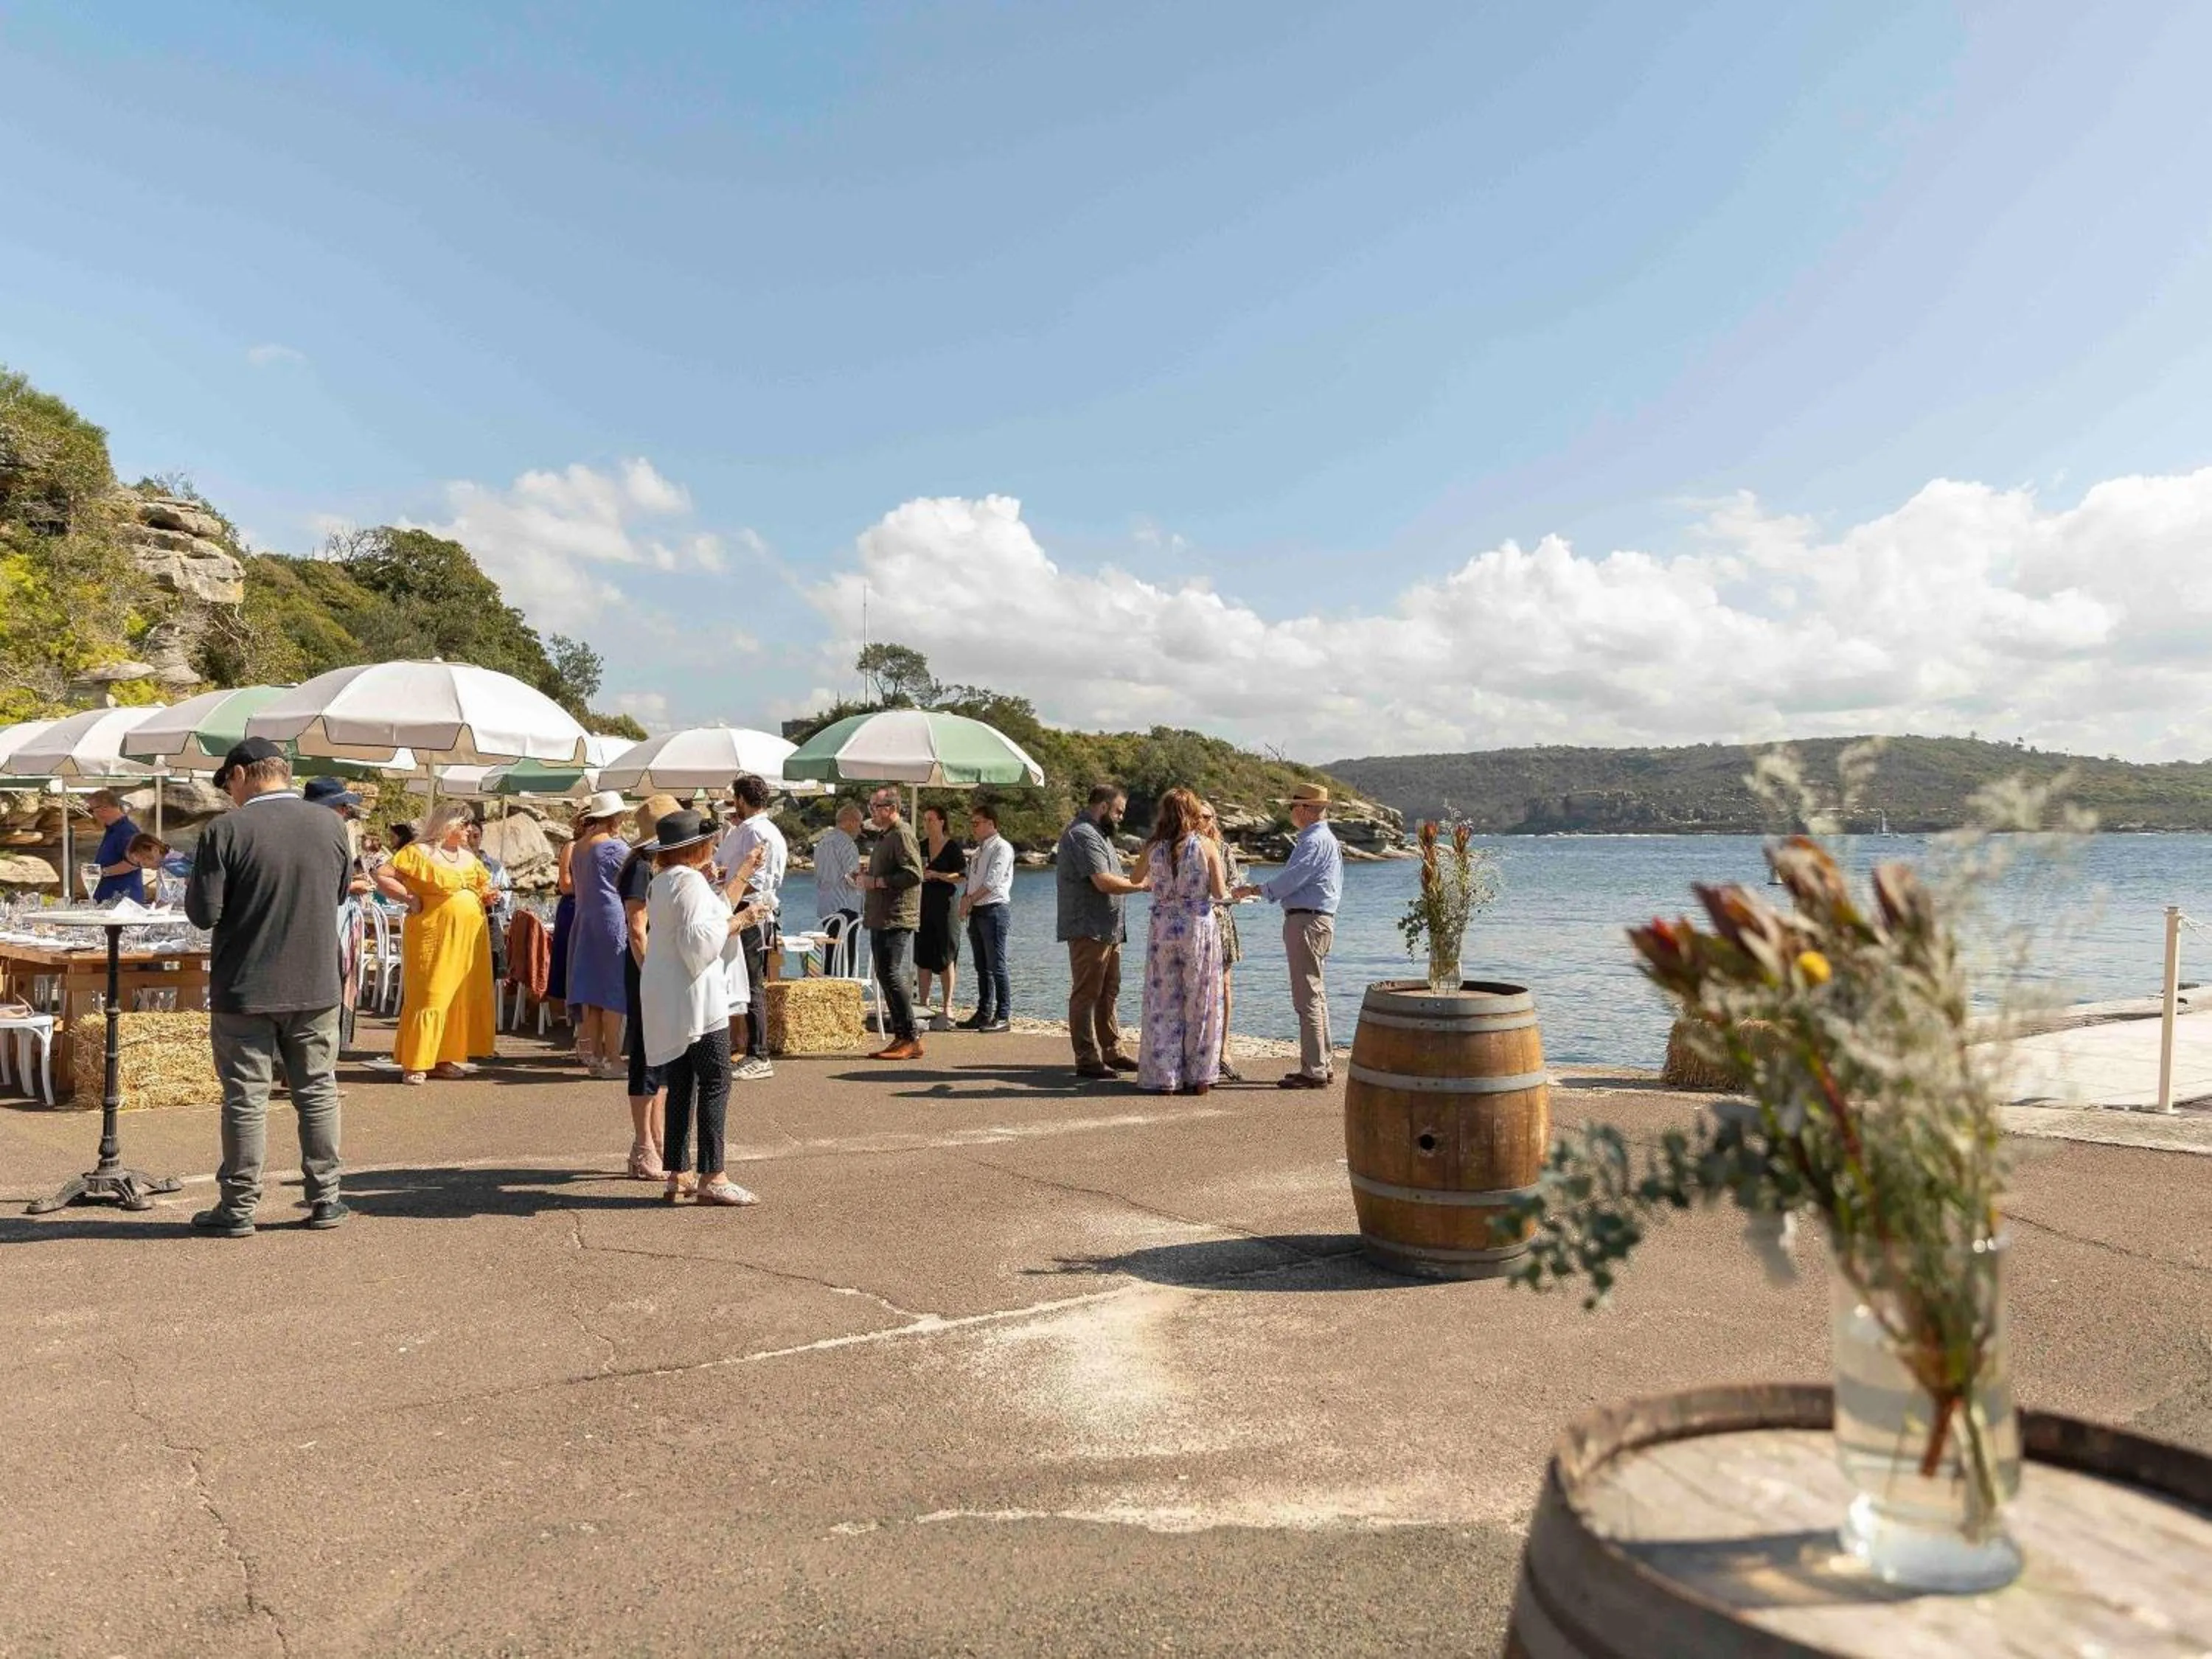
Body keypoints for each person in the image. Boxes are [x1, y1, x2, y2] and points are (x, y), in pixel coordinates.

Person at [183, 737, 353, 1235]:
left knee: (245, 1098)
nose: (229, 795)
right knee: (318, 1091)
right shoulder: (331, 824)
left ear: (240, 775)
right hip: (317, 982)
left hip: (246, 984)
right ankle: (325, 1200)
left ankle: (238, 1208)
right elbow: (340, 892)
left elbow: (203, 914)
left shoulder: (226, 830)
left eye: (228, 786)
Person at [639, 807, 759, 1206]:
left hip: (667, 993)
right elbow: (699, 942)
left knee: (682, 1084)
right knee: (715, 1080)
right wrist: (743, 921)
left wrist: (741, 877)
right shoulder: (689, 882)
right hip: (695, 996)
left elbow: (701, 921)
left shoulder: (662, 881)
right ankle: (714, 1174)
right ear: (698, 848)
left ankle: (679, 1172)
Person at [374, 801, 497, 1085]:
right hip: (434, 934)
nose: (469, 829)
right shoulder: (419, 852)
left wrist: (489, 896)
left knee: (457, 995)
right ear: (448, 824)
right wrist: (408, 897)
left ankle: (443, 1058)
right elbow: (382, 875)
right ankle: (416, 1060)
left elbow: (482, 887)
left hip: (469, 938)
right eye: (464, 824)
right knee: (431, 993)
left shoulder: (467, 857)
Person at [1234, 782, 1344, 1089]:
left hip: (1306, 921)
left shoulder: (1313, 841)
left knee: (1307, 995)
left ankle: (1314, 1069)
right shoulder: (1326, 839)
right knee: (1316, 993)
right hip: (1317, 919)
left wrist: (1256, 889)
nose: (1291, 812)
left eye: (1293, 807)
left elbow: (1292, 879)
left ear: (1304, 809)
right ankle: (1323, 1062)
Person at [1135, 787, 1228, 1095]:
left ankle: (1166, 1076)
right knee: (1201, 1001)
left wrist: (1161, 885)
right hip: (1197, 927)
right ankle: (1200, 1076)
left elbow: (1136, 879)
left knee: (1163, 1002)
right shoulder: (1206, 845)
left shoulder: (1153, 847)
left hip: (1163, 926)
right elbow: (1219, 893)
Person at [1054, 784, 1147, 1079]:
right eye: (1118, 811)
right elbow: (1103, 882)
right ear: (1104, 806)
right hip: (1088, 927)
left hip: (1107, 928)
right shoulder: (1083, 834)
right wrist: (1144, 886)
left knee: (1109, 991)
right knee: (1086, 993)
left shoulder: (1099, 835)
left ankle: (1113, 1051)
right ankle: (1086, 1058)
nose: (1121, 817)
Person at [617, 794, 683, 1181]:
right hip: (648, 969)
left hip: (656, 967)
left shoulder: (649, 866)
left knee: (660, 1058)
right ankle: (645, 1145)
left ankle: (654, 1141)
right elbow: (637, 928)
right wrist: (650, 974)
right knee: (646, 1056)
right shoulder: (641, 868)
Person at [714, 773, 787, 1081]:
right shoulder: (768, 830)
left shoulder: (752, 831)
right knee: (746, 984)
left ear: (741, 800)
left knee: (750, 985)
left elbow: (751, 881)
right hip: (753, 912)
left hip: (747, 913)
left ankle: (759, 1054)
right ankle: (749, 1049)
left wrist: (721, 895)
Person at [565, 791, 633, 1079]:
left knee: (590, 991)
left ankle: (593, 1056)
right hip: (610, 918)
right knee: (613, 989)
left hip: (584, 918)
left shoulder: (579, 846)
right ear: (614, 818)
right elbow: (636, 876)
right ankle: (614, 1058)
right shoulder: (615, 848)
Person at [854, 788, 925, 1059]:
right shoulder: (886, 836)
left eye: (876, 806)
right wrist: (867, 876)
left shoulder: (902, 834)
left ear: (892, 807)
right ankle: (902, 1036)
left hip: (896, 916)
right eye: (870, 805)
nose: (871, 811)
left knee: (891, 974)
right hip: (881, 915)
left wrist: (877, 882)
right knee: (885, 974)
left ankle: (910, 1036)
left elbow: (914, 874)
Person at [303, 777, 371, 1051]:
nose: (346, 812)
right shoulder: (321, 834)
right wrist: (354, 884)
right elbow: (330, 882)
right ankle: (316, 1062)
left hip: (337, 919)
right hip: (326, 920)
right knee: (326, 987)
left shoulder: (331, 831)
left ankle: (324, 1055)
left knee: (338, 982)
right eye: (342, 806)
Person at [1198, 801, 1245, 1082]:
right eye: (1198, 816)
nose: (1202, 821)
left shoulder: (1224, 849)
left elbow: (1233, 887)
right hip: (1194, 922)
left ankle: (1224, 1050)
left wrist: (1232, 895)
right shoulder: (1186, 847)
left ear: (1214, 820)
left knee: (1224, 985)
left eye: (1207, 817)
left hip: (1221, 922)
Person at [957, 801, 1013, 1032]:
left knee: (996, 964)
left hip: (994, 910)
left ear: (991, 823)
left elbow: (992, 881)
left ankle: (1003, 1015)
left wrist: (969, 899)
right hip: (977, 910)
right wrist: (965, 899)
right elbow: (972, 880)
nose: (974, 827)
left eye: (977, 823)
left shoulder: (1002, 848)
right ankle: (983, 1011)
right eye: (972, 823)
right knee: (982, 966)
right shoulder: (980, 850)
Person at [914, 804, 964, 1031]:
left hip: (946, 906)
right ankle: (923, 1003)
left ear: (942, 821)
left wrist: (938, 875)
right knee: (923, 954)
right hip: (923, 905)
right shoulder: (921, 846)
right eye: (925, 820)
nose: (927, 824)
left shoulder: (952, 847)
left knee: (946, 955)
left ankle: (947, 1005)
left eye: (931, 820)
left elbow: (961, 875)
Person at [813, 803, 866, 974]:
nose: (860, 829)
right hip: (845, 907)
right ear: (850, 822)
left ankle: (830, 992)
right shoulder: (848, 844)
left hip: (826, 906)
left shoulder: (822, 842)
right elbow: (852, 877)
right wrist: (868, 880)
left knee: (830, 955)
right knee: (845, 959)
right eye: (860, 823)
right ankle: (846, 993)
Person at [87, 788, 146, 903]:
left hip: (123, 899)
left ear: (103, 808)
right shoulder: (113, 830)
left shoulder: (127, 831)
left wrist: (100, 872)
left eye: (91, 810)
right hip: (112, 898)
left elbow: (134, 863)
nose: (92, 815)